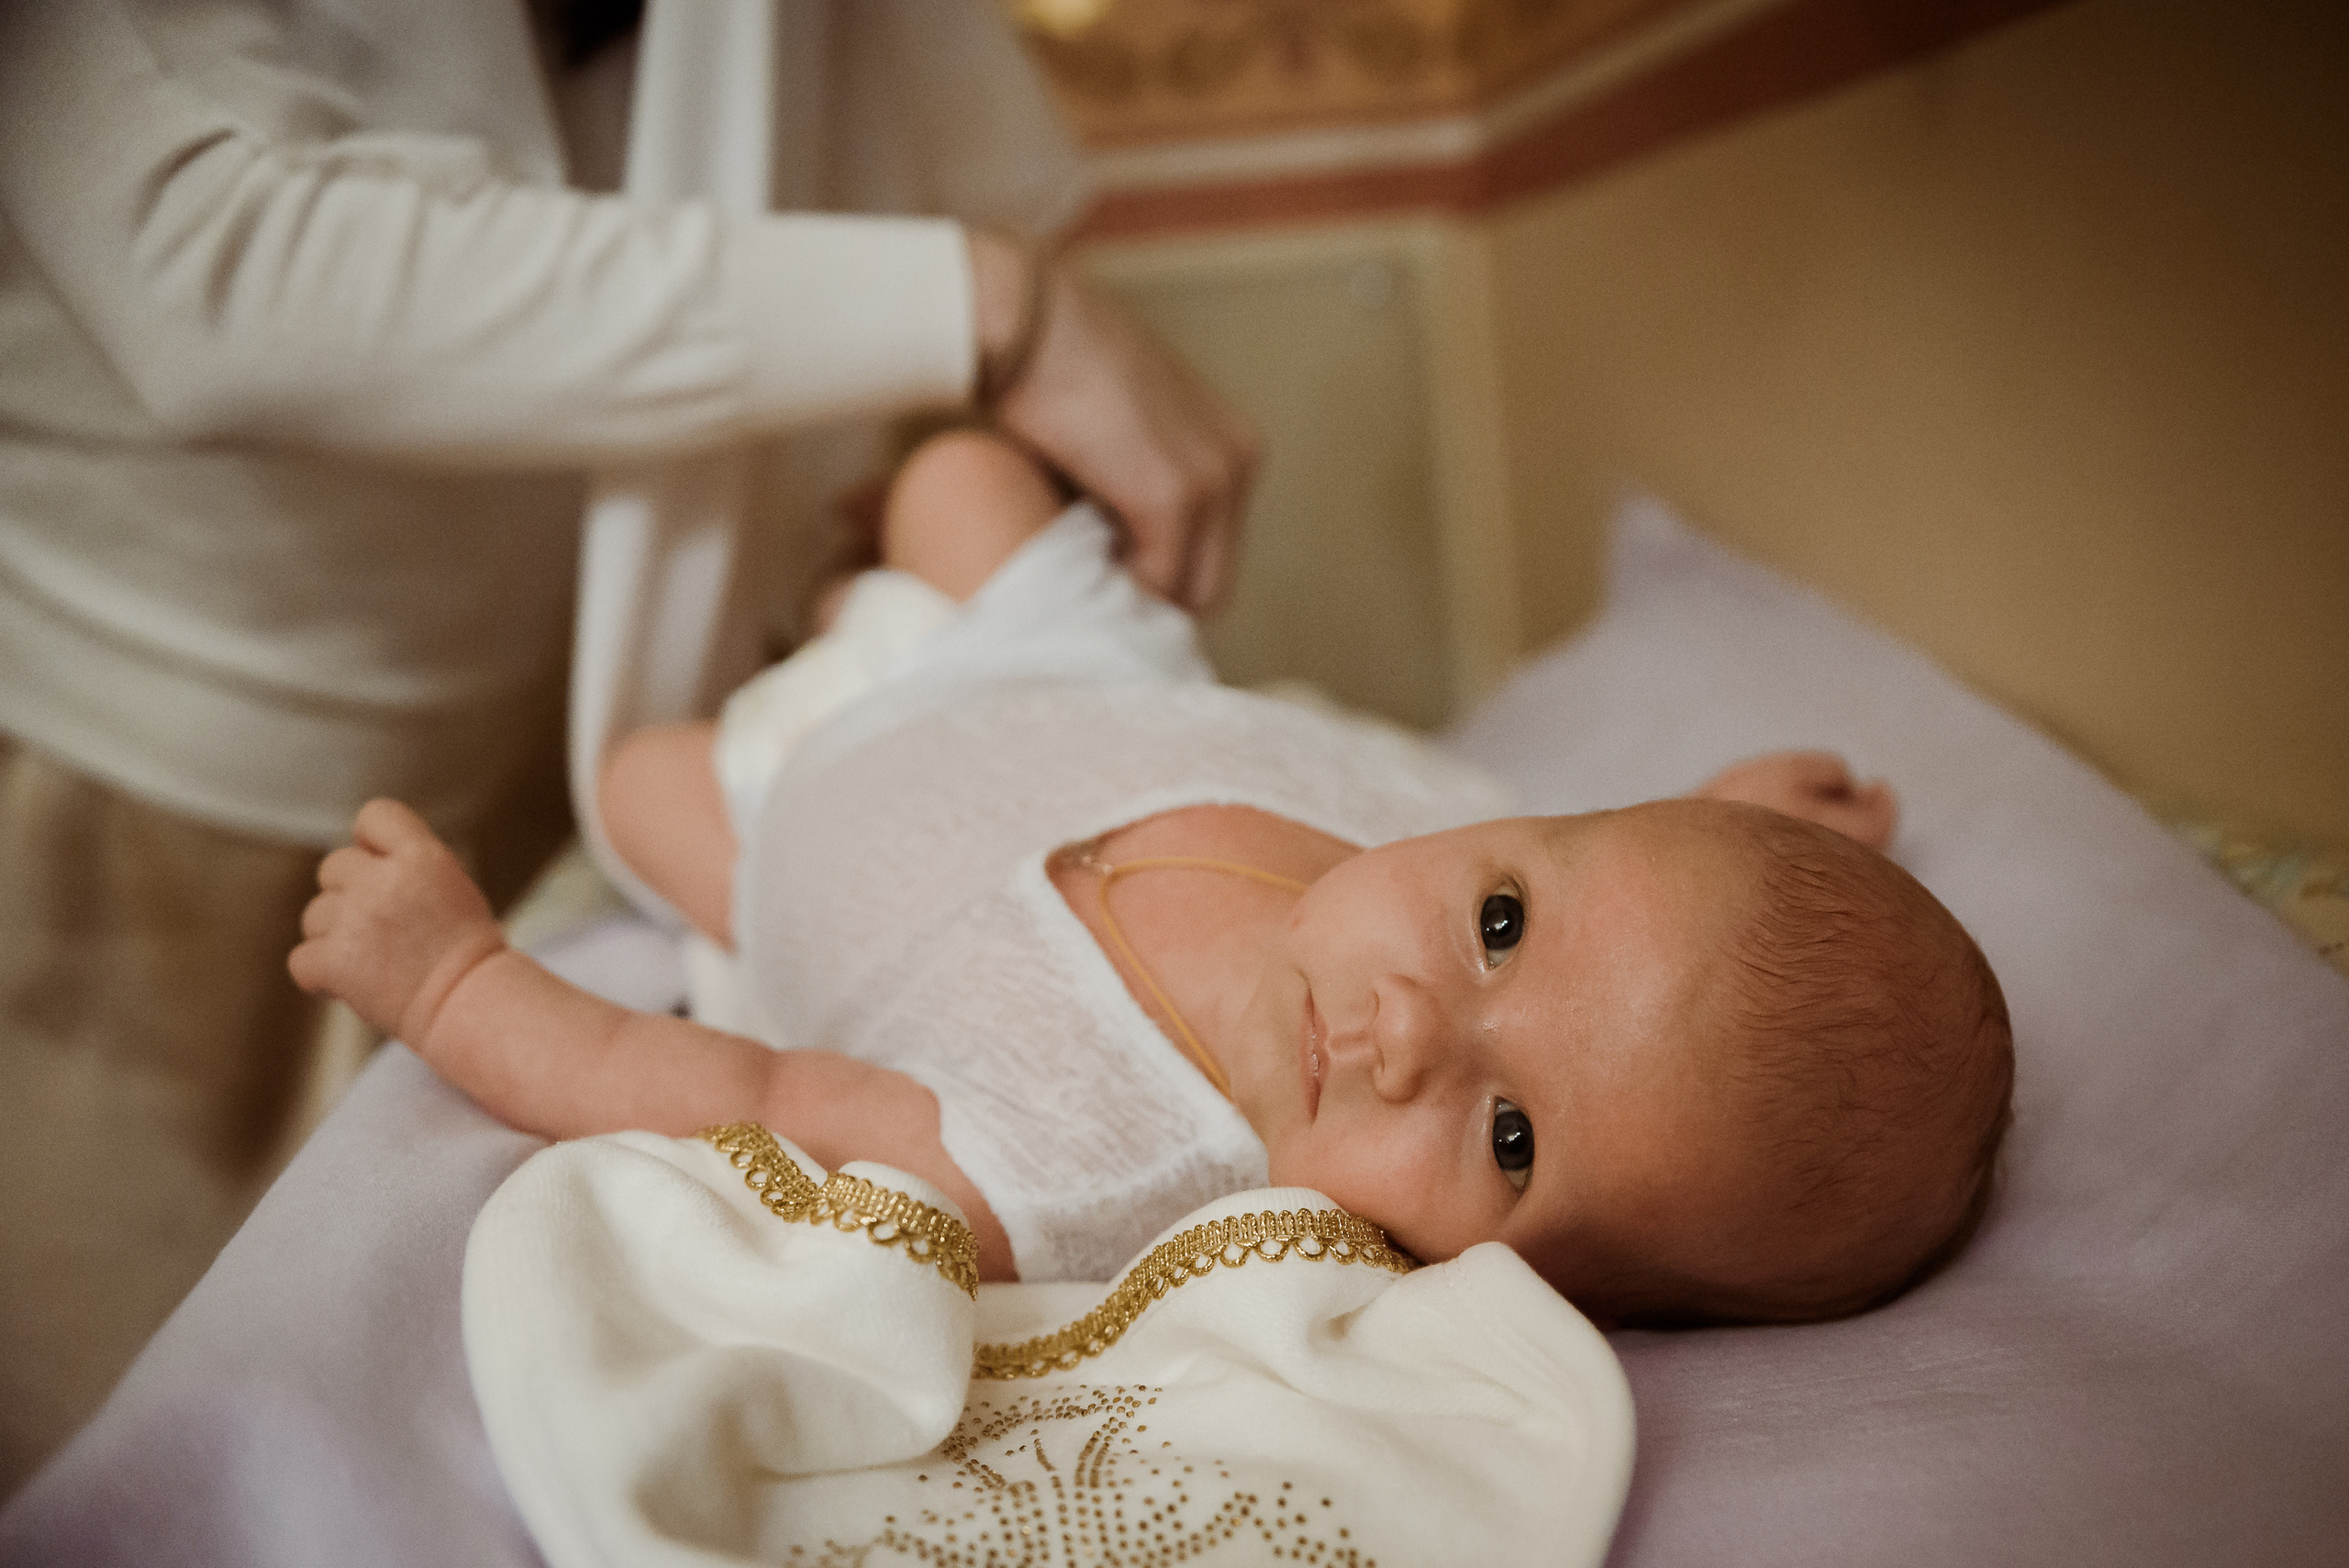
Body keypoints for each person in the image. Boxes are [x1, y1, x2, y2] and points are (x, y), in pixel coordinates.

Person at [0, 0, 1255, 1489]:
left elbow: (764, 1082)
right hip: (155, 776)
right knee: (140, 1444)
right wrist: (985, 313)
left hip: (623, 725)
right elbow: (204, 265)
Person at [292, 430, 2013, 1325]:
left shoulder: (1077, 1173)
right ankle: (863, 613)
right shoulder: (1454, 827)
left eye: (1508, 1142)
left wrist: (459, 985)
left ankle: (823, 663)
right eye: (1499, 923)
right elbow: (1604, 878)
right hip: (1066, 688)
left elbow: (732, 1087)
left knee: (636, 785)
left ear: (1534, 1291)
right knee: (965, 479)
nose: (1415, 1028)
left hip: (810, 841)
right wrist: (1725, 813)